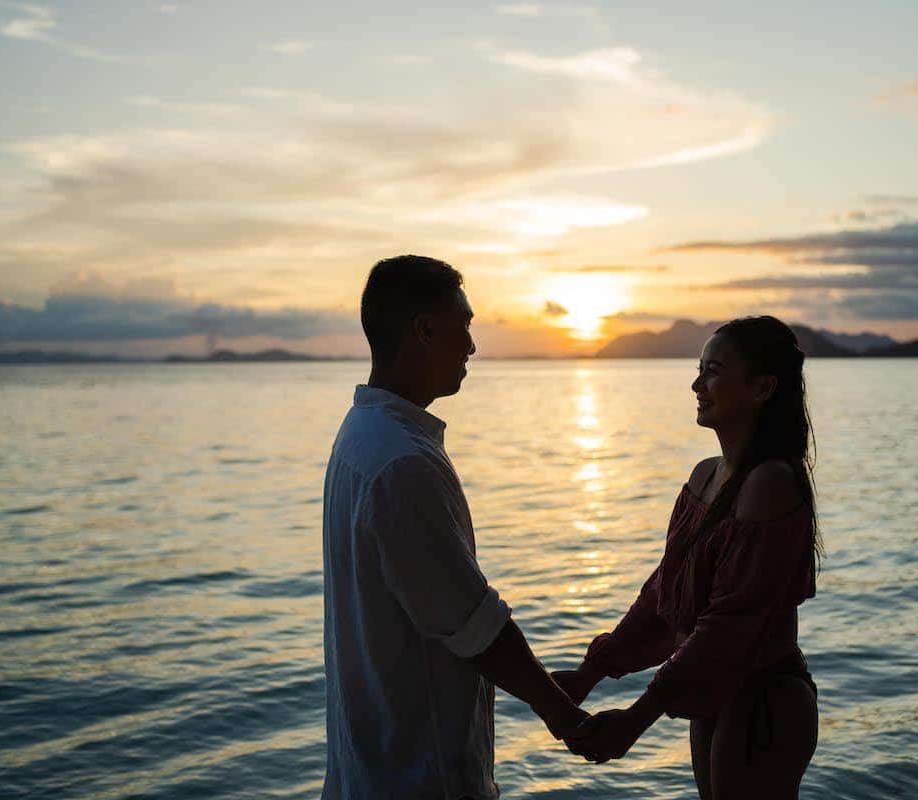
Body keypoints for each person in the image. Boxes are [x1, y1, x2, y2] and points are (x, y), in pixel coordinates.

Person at [322, 255, 590, 800]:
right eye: (464, 325)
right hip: (420, 777)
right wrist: (566, 717)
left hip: (373, 767)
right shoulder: (402, 462)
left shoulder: (363, 434)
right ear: (423, 329)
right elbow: (473, 624)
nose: (472, 346)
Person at [554, 315, 822, 800]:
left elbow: (729, 625)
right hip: (717, 695)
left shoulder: (771, 485)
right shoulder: (703, 478)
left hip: (764, 697)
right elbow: (665, 593)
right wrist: (589, 673)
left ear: (762, 388)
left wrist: (636, 720)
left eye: (714, 372)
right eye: (700, 369)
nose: (697, 384)